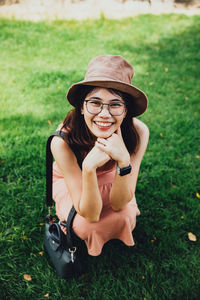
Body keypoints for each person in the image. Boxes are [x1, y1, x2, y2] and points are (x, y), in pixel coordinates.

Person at [51, 55, 149, 256]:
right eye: (95, 103)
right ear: (81, 107)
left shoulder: (139, 133)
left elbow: (120, 203)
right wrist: (88, 168)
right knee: (88, 225)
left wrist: (123, 161)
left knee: (124, 214)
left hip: (114, 178)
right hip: (75, 181)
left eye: (115, 104)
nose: (104, 114)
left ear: (126, 110)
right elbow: (91, 214)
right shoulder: (62, 142)